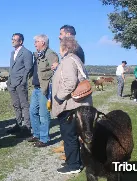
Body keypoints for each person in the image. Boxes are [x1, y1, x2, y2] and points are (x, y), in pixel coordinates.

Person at [52, 36, 93, 175]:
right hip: (78, 106)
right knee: (75, 136)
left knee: (69, 136)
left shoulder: (69, 60)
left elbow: (70, 82)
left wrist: (58, 97)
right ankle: (75, 160)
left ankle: (73, 165)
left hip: (70, 106)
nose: (59, 50)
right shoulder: (76, 59)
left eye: (60, 47)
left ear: (65, 48)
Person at [51, 25, 85, 154]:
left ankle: (72, 153)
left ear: (68, 34)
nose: (59, 36)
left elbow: (73, 72)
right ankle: (67, 148)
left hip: (72, 99)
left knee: (72, 129)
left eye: (61, 33)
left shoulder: (75, 50)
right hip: (70, 96)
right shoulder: (73, 49)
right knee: (70, 130)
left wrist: (59, 97)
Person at [27, 34, 59, 147]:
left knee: (43, 114)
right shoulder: (37, 55)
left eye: (36, 41)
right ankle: (36, 134)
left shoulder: (50, 54)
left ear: (43, 42)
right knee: (32, 111)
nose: (34, 44)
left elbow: (56, 70)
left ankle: (44, 139)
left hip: (44, 88)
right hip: (36, 88)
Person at [6, 33, 33, 138]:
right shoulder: (13, 53)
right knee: (16, 105)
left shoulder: (26, 53)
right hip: (12, 83)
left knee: (24, 105)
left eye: (15, 39)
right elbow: (12, 68)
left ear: (21, 41)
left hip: (20, 84)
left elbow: (28, 68)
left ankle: (27, 127)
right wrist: (9, 81)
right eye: (12, 39)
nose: (12, 41)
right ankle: (18, 124)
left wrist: (23, 81)